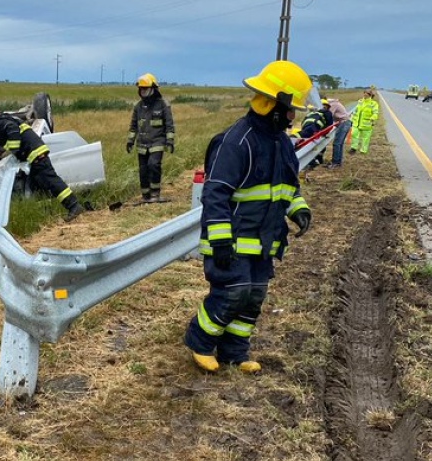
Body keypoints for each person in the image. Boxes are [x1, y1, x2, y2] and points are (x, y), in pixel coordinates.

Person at [184, 60, 313, 374]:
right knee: (232, 292)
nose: (294, 116)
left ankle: (235, 352)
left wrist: (299, 209)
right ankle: (199, 341)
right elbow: (215, 194)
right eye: (291, 109)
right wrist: (220, 240)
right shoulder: (235, 142)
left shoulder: (282, 143)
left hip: (265, 240)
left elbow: (288, 187)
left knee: (253, 297)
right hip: (232, 239)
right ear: (273, 105)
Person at [0, 105, 84, 221]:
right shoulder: (5, 119)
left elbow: (13, 133)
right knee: (40, 183)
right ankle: (52, 211)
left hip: (35, 154)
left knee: (51, 180)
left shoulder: (0, 122)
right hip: (35, 154)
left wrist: (13, 151)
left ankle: (74, 206)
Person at [126, 73, 175, 202]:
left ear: (153, 88)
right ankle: (146, 196)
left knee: (153, 165)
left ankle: (155, 194)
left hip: (157, 142)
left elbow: (169, 124)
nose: (143, 91)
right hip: (142, 145)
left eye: (145, 89)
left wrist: (170, 141)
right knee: (143, 170)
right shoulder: (138, 107)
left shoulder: (163, 104)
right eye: (141, 89)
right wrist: (130, 141)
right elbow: (133, 125)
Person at [349, 86, 380, 155]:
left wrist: (372, 118)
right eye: (364, 93)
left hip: (366, 124)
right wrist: (351, 119)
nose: (365, 94)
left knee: (365, 138)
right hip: (356, 123)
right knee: (354, 135)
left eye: (367, 93)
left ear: (370, 95)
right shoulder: (360, 101)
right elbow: (356, 111)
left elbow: (376, 113)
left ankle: (363, 150)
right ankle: (353, 148)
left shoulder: (374, 104)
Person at [325, 95, 351, 168]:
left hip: (343, 123)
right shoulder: (333, 103)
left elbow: (329, 115)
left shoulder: (333, 104)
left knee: (336, 143)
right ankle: (338, 162)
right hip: (345, 123)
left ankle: (335, 162)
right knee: (340, 144)